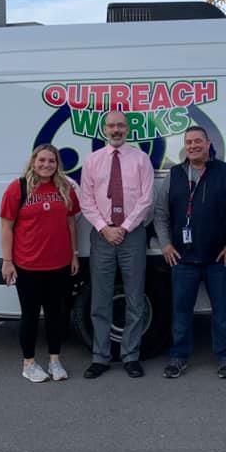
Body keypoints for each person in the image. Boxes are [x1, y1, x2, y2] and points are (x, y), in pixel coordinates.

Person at [154, 125, 226, 379]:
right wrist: (165, 245)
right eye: (189, 142)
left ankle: (225, 358)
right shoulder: (174, 175)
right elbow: (160, 214)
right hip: (183, 258)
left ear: (208, 144)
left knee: (223, 312)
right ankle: (178, 357)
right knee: (181, 311)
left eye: (198, 141)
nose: (193, 145)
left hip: (219, 258)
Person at [79, 111, 155, 379]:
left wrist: (124, 228)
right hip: (102, 236)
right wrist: (105, 228)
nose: (116, 130)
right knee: (100, 299)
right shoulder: (92, 161)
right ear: (104, 130)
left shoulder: (140, 159)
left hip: (132, 234)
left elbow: (147, 199)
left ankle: (131, 356)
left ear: (128, 129)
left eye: (121, 125)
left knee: (135, 298)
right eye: (111, 125)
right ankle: (100, 357)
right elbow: (86, 200)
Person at [0, 144, 81, 383]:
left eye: (51, 161)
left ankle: (55, 360)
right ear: (33, 161)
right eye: (42, 160)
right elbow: (6, 226)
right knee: (31, 316)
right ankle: (29, 364)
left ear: (57, 164)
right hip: (27, 265)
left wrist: (74, 254)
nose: (46, 165)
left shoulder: (64, 187)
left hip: (59, 265)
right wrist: (7, 261)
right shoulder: (18, 188)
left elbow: (71, 222)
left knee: (57, 315)